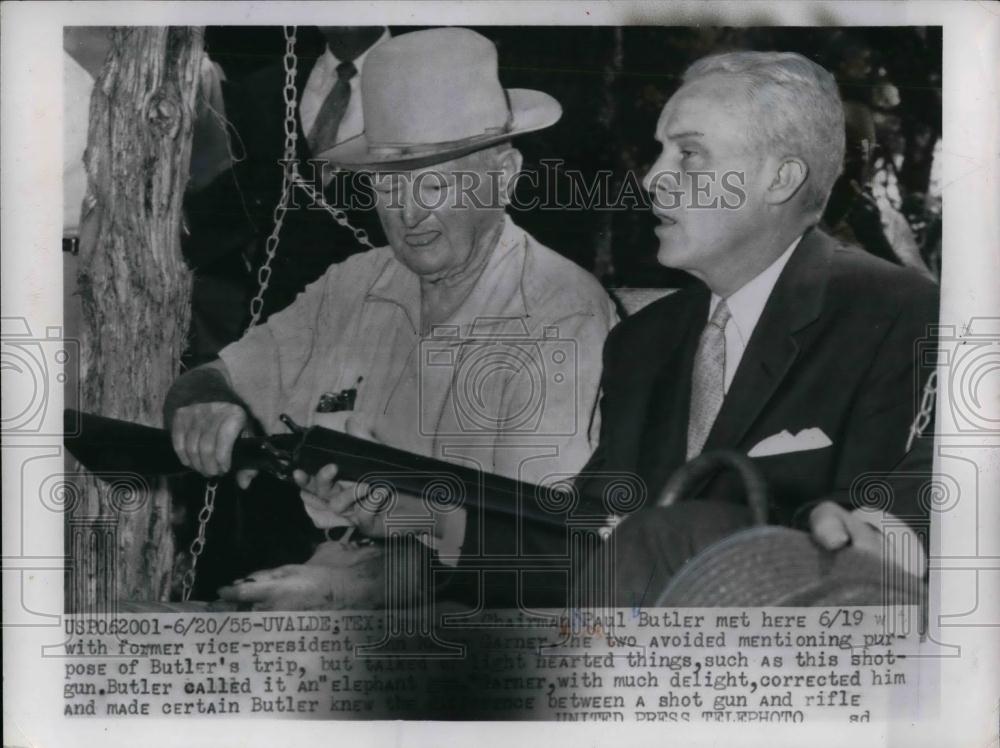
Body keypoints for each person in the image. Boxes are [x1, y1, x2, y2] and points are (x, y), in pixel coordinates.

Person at [164, 28, 617, 609]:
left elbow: (538, 553)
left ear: (503, 175)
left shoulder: (559, 311)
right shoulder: (355, 283)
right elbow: (215, 375)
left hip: (463, 612)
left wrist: (362, 577)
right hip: (324, 569)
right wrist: (205, 406)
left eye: (435, 182)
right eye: (387, 180)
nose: (407, 211)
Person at [578, 51, 938, 606]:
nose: (653, 179)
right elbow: (588, 533)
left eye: (688, 154)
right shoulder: (639, 342)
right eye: (659, 152)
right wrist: (449, 537)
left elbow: (919, 500)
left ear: (780, 179)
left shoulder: (900, 315)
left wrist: (891, 533)